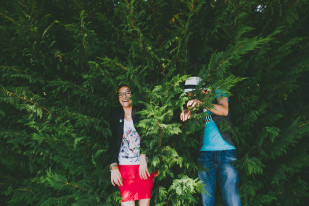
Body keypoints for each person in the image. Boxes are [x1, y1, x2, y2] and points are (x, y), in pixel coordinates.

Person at [180, 77, 241, 206]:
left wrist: (202, 104)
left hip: (226, 152)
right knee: (206, 199)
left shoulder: (218, 92)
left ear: (202, 89)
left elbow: (224, 110)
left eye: (192, 93)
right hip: (205, 155)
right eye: (188, 94)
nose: (189, 96)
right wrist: (187, 112)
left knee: (232, 198)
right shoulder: (196, 102)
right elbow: (190, 119)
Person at [109, 84, 155, 206]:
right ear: (118, 97)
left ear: (132, 95)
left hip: (143, 168)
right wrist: (113, 167)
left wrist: (143, 158)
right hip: (125, 169)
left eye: (127, 92)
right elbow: (112, 142)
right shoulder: (115, 115)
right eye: (121, 94)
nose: (124, 96)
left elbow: (149, 137)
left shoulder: (141, 112)